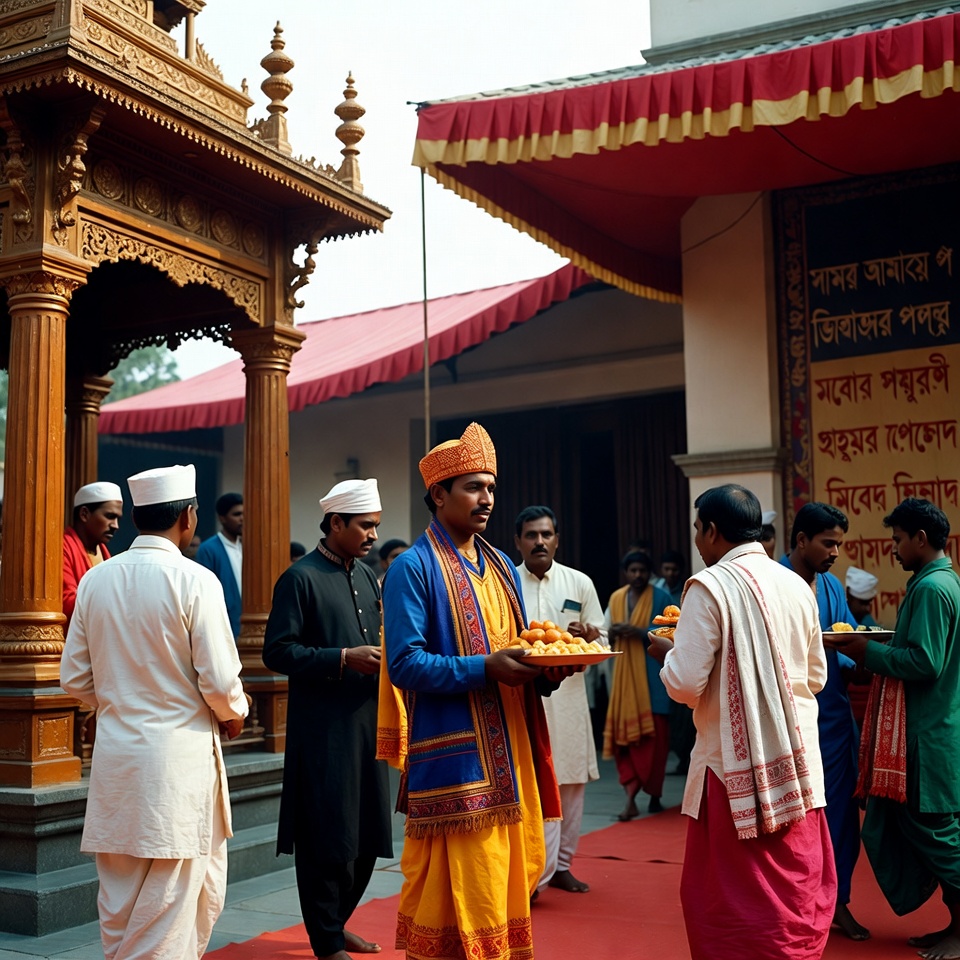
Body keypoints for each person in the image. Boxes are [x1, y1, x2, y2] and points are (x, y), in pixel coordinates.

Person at [378, 422, 563, 960]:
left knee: (505, 886)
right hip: (457, 762)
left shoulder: (504, 565)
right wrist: (486, 668)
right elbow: (405, 664)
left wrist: (547, 672)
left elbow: (521, 650)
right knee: (461, 894)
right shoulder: (412, 568)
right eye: (473, 487)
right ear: (439, 494)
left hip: (512, 748)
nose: (487, 499)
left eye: (491, 487)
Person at [60, 464, 249, 960]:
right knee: (171, 903)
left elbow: (75, 679)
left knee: (120, 902)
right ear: (187, 518)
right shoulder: (195, 579)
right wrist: (234, 713)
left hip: (117, 761)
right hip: (177, 767)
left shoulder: (97, 580)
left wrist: (119, 702)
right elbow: (221, 680)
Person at [647, 483, 835, 960]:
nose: (696, 538)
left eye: (697, 528)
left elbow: (686, 685)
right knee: (794, 895)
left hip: (732, 772)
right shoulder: (795, 582)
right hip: (796, 768)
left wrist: (668, 656)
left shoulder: (708, 586)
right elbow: (815, 676)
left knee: (731, 904)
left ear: (710, 531)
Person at [262, 478, 391, 960]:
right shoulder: (300, 577)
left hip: (367, 724)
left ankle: (335, 925)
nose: (373, 535)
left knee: (366, 834)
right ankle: (325, 940)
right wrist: (342, 657)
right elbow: (277, 651)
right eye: (364, 526)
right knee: (327, 836)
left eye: (376, 526)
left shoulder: (367, 575)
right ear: (335, 523)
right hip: (323, 731)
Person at [839, 498, 960, 960]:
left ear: (920, 539)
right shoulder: (937, 582)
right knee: (920, 829)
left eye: (896, 539)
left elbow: (926, 663)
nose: (893, 549)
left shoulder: (932, 589)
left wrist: (866, 651)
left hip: (928, 734)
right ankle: (954, 922)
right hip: (930, 729)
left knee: (936, 833)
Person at [781, 501, 869, 941]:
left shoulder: (832, 585)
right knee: (789, 825)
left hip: (833, 724)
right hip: (784, 723)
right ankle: (793, 908)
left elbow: (848, 638)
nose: (835, 551)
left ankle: (840, 903)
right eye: (828, 543)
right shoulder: (772, 583)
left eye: (839, 543)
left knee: (840, 819)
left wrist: (868, 658)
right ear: (800, 541)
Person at [514, 504, 604, 896]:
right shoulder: (504, 583)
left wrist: (588, 634)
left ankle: (562, 864)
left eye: (546, 534)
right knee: (526, 784)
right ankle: (532, 873)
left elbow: (603, 641)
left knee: (570, 782)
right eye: (531, 535)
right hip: (520, 698)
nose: (539, 542)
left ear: (557, 539)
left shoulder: (578, 582)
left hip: (567, 702)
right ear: (517, 541)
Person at [603, 549, 671, 818]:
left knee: (657, 744)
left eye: (643, 570)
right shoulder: (616, 598)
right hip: (623, 682)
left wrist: (640, 632)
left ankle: (655, 794)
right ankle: (630, 798)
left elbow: (673, 631)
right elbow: (603, 631)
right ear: (626, 573)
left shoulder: (662, 597)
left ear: (649, 573)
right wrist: (615, 631)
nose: (638, 575)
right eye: (633, 570)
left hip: (654, 681)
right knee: (627, 745)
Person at [63, 481, 124, 624]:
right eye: (110, 516)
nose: (115, 526)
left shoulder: (103, 551)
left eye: (117, 518)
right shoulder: (62, 548)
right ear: (84, 514)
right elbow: (68, 603)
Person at [195, 492, 243, 640]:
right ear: (222, 518)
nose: (242, 519)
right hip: (223, 627)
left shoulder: (247, 546)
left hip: (246, 626)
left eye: (244, 514)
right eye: (236, 514)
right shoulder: (208, 549)